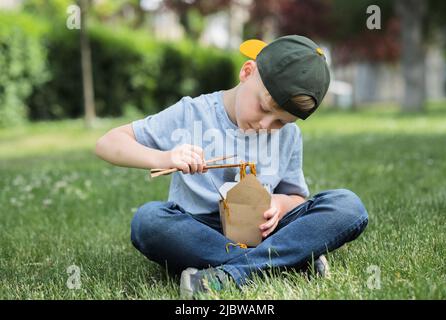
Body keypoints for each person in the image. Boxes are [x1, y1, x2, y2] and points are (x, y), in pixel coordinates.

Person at [95, 35, 369, 299]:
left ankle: (232, 273)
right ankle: (288, 262)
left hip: (262, 230)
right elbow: (109, 143)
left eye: (281, 122)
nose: (266, 125)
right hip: (201, 229)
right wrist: (165, 158)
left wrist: (280, 204)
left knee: (348, 206)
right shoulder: (192, 113)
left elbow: (297, 197)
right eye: (263, 107)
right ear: (247, 72)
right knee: (149, 221)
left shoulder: (288, 137)